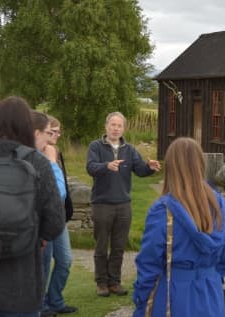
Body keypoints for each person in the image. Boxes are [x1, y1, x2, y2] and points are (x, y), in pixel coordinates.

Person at [133, 137, 225, 317]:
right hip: (211, 294)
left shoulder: (162, 210)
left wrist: (141, 302)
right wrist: (211, 279)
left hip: (173, 294)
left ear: (171, 167)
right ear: (200, 164)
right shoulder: (219, 205)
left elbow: (148, 266)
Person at [0, 96, 65, 317]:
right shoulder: (37, 162)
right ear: (27, 127)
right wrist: (37, 237)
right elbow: (56, 221)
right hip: (21, 274)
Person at [86, 111, 161, 297]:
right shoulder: (95, 146)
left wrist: (150, 168)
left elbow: (141, 170)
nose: (115, 128)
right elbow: (90, 167)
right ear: (106, 126)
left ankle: (115, 282)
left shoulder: (129, 149)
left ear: (123, 128)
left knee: (119, 246)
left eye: (119, 126)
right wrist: (106, 166)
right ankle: (101, 283)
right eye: (112, 125)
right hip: (102, 203)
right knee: (102, 246)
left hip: (123, 204)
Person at [39, 114, 77, 316]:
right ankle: (42, 305)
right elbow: (55, 190)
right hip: (45, 219)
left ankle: (55, 300)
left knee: (65, 260)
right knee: (44, 263)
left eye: (58, 131)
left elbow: (63, 188)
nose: (57, 135)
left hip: (59, 218)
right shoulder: (38, 155)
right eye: (52, 131)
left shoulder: (56, 152)